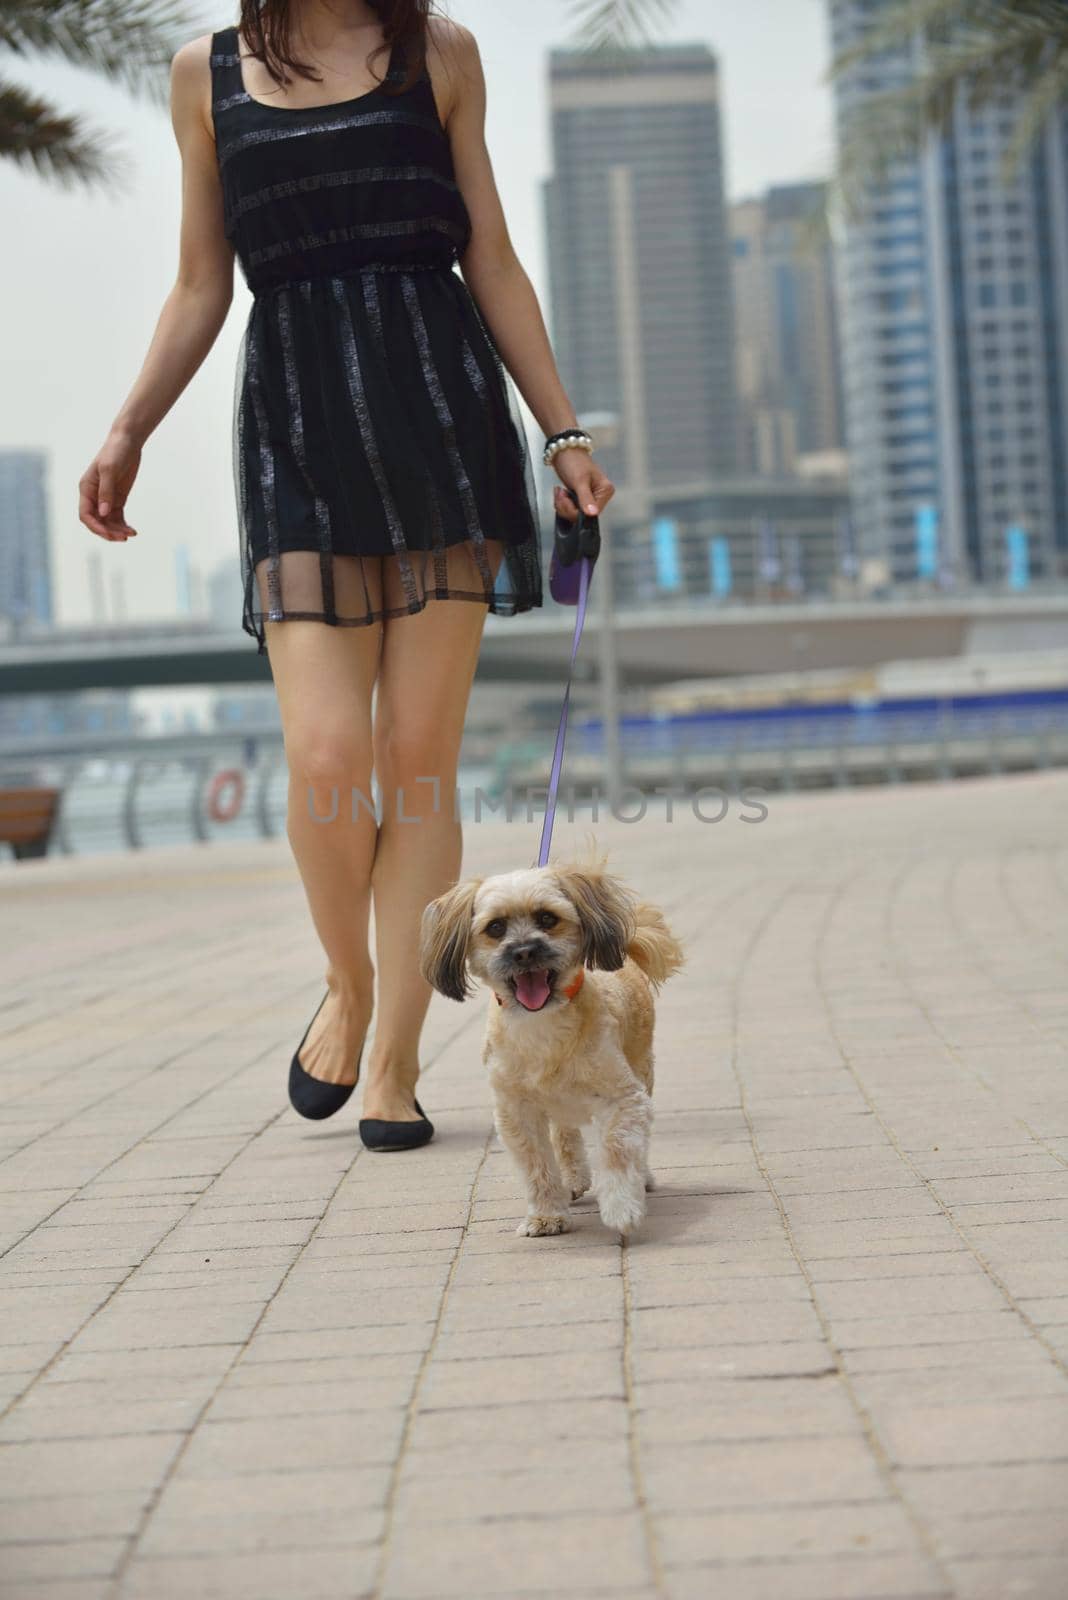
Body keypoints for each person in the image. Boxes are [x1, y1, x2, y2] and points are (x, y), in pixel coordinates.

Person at [78, 0, 614, 1151]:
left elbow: (495, 257)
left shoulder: (443, 54)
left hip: (443, 424)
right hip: (298, 437)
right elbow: (198, 285)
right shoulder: (204, 77)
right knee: (326, 755)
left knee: (416, 763)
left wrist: (562, 433)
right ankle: (349, 978)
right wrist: (129, 429)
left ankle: (396, 1061)